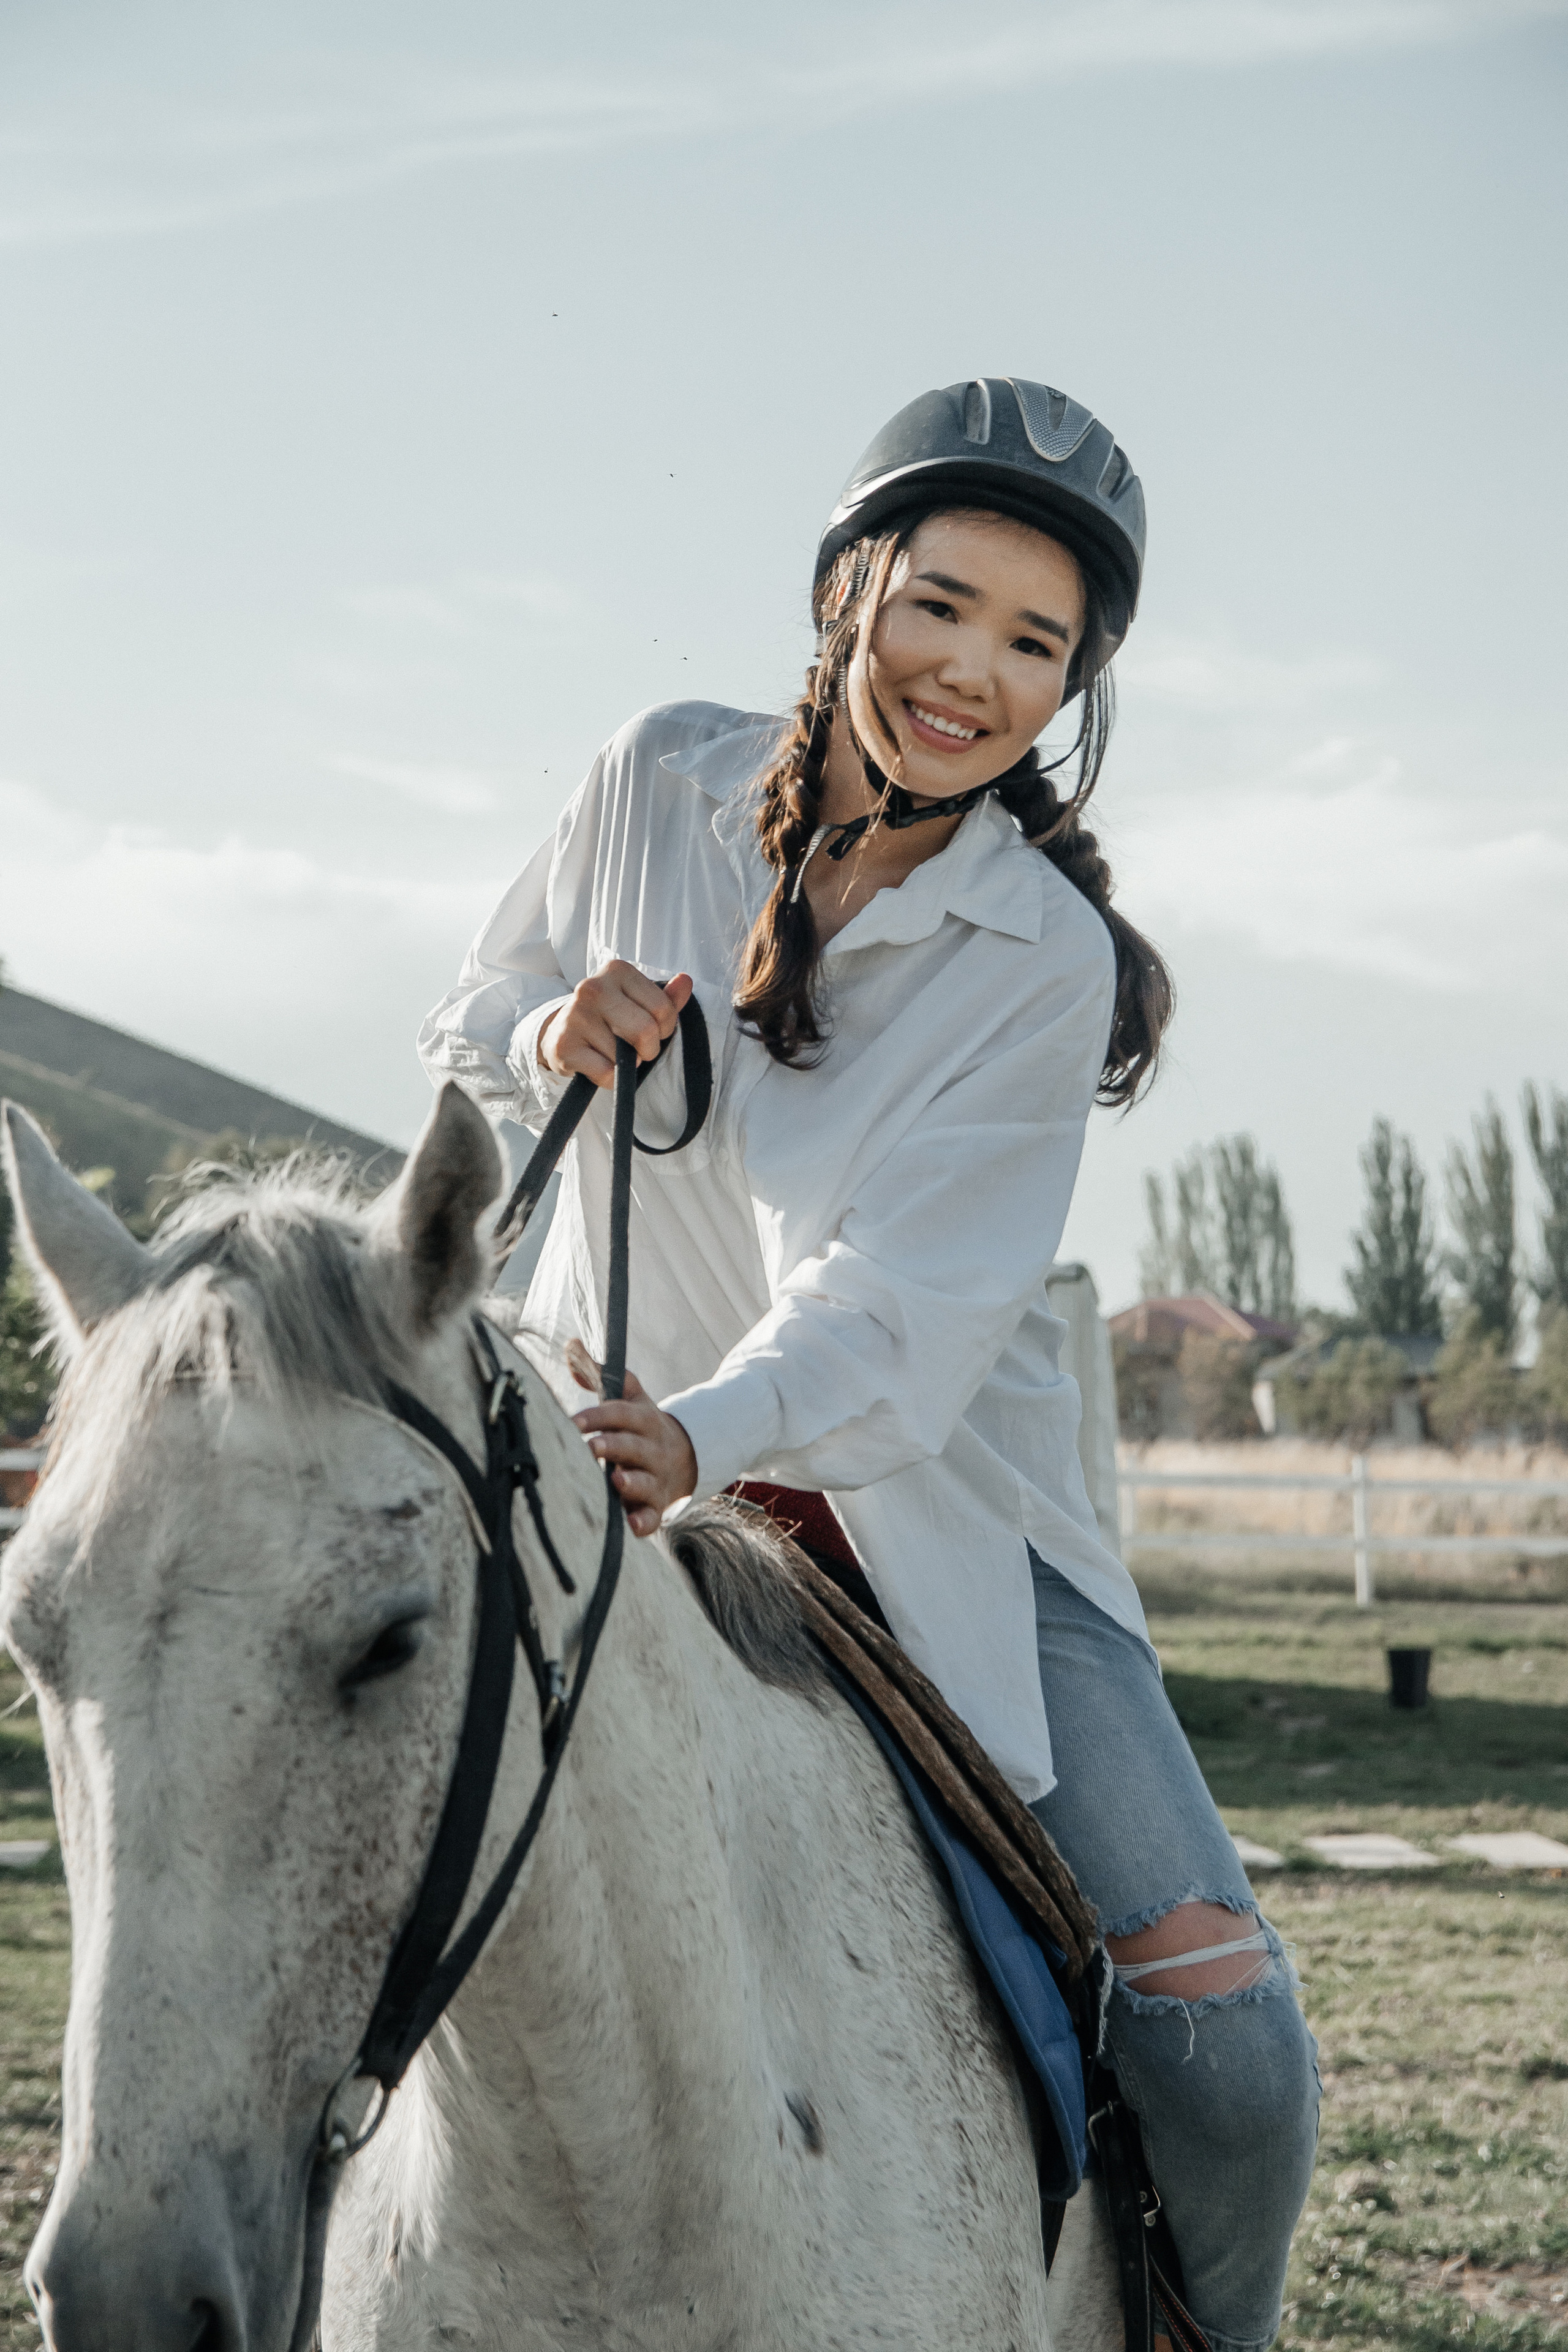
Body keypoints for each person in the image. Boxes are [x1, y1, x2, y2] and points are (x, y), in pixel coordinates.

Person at [418, 376, 1317, 2352]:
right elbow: (472, 1009)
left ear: (1072, 688)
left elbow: (893, 1315)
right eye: (943, 607)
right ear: (847, 589)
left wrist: (704, 1437)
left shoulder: (1039, 963)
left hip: (929, 1529)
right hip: (595, 1459)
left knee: (1235, 2058)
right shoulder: (654, 777)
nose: (971, 676)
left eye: (1034, 646)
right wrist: (547, 1025)